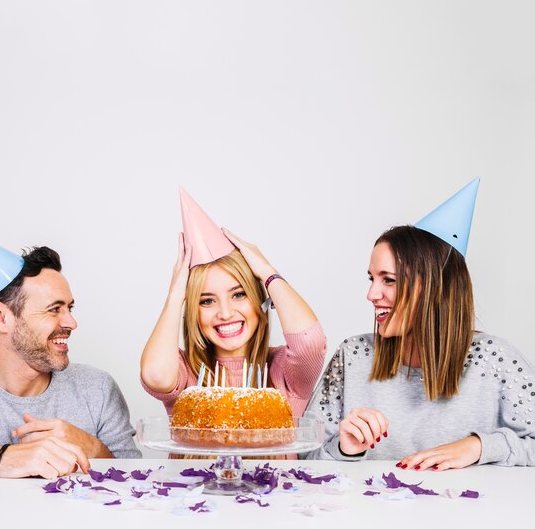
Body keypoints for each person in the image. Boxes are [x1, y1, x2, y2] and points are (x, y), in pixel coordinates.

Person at [305, 179, 535, 469]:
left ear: (433, 288)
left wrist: (479, 446)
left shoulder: (493, 359)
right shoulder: (352, 356)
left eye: (389, 279)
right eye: (372, 278)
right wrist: (343, 448)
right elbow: (303, 461)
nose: (371, 294)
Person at [0, 220, 140, 479]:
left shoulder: (97, 389)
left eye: (69, 308)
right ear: (0, 317)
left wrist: (94, 448)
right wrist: (4, 458)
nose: (71, 323)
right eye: (54, 309)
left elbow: (136, 478)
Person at [141, 189, 326, 430]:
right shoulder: (185, 372)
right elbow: (156, 375)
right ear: (193, 312)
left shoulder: (284, 371)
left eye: (239, 295)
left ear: (259, 298)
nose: (225, 313)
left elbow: (310, 342)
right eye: (206, 301)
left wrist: (268, 272)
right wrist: (176, 295)